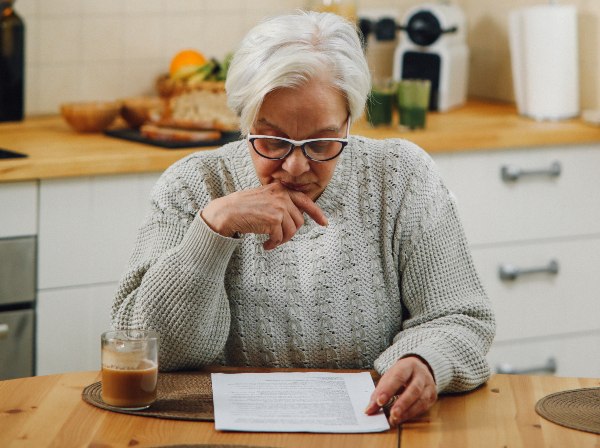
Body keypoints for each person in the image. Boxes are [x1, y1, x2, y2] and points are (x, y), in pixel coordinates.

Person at [112, 11, 495, 427]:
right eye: (273, 141)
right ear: (243, 122)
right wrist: (213, 228)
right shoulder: (191, 186)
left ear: (349, 121)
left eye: (322, 141)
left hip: (375, 428)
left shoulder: (401, 176)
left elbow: (461, 317)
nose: (295, 167)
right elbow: (143, 346)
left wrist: (425, 360)